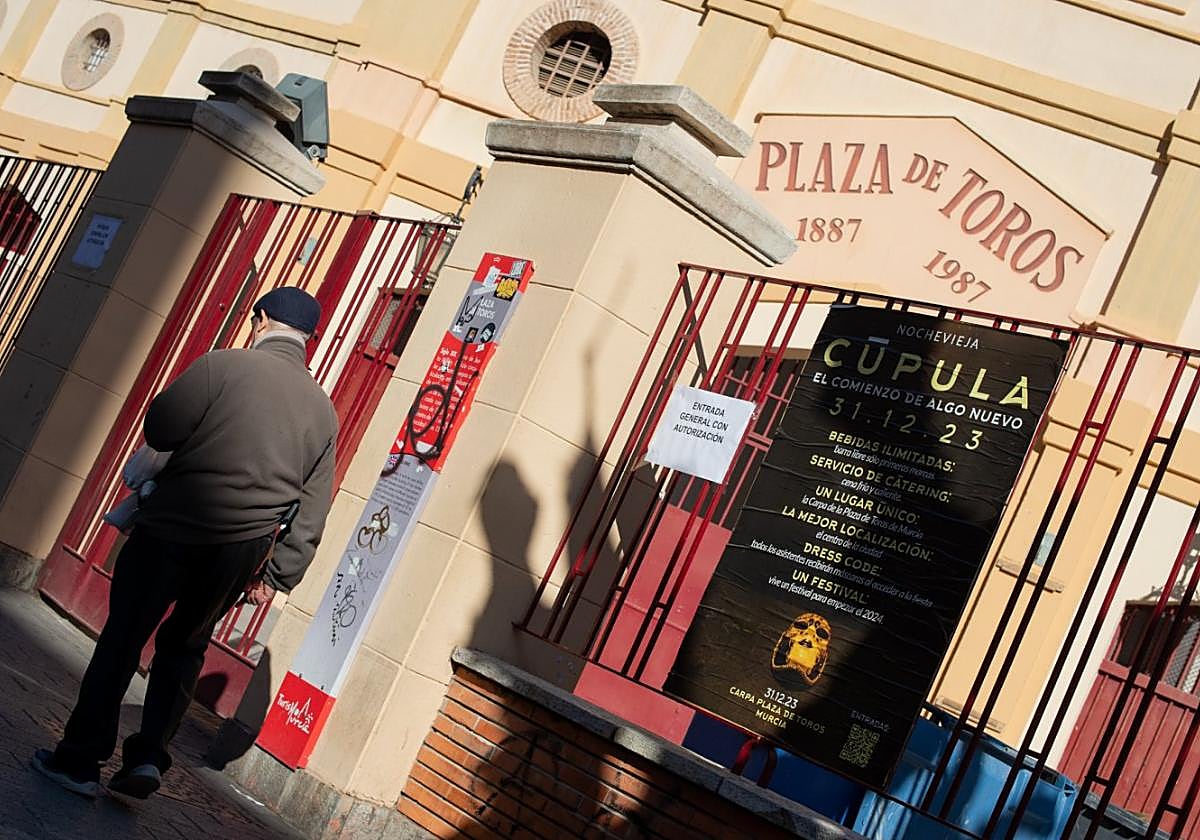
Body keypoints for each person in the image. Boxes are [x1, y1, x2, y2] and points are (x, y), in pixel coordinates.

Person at [33, 286, 338, 800]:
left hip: (174, 525)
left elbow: (163, 427)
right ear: (309, 339)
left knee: (124, 638)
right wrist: (277, 576)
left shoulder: (221, 366)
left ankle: (80, 761)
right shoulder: (323, 411)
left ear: (260, 320)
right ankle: (149, 759)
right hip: (239, 552)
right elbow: (312, 512)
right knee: (185, 648)